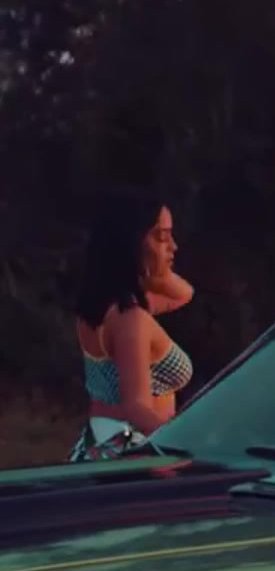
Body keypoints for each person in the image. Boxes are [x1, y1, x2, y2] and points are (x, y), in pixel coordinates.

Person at [69, 191, 195, 461]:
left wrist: (159, 269)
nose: (174, 246)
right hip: (131, 449)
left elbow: (184, 293)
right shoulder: (132, 320)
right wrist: (188, 446)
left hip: (101, 442)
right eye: (162, 237)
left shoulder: (103, 308)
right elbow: (137, 408)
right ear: (133, 242)